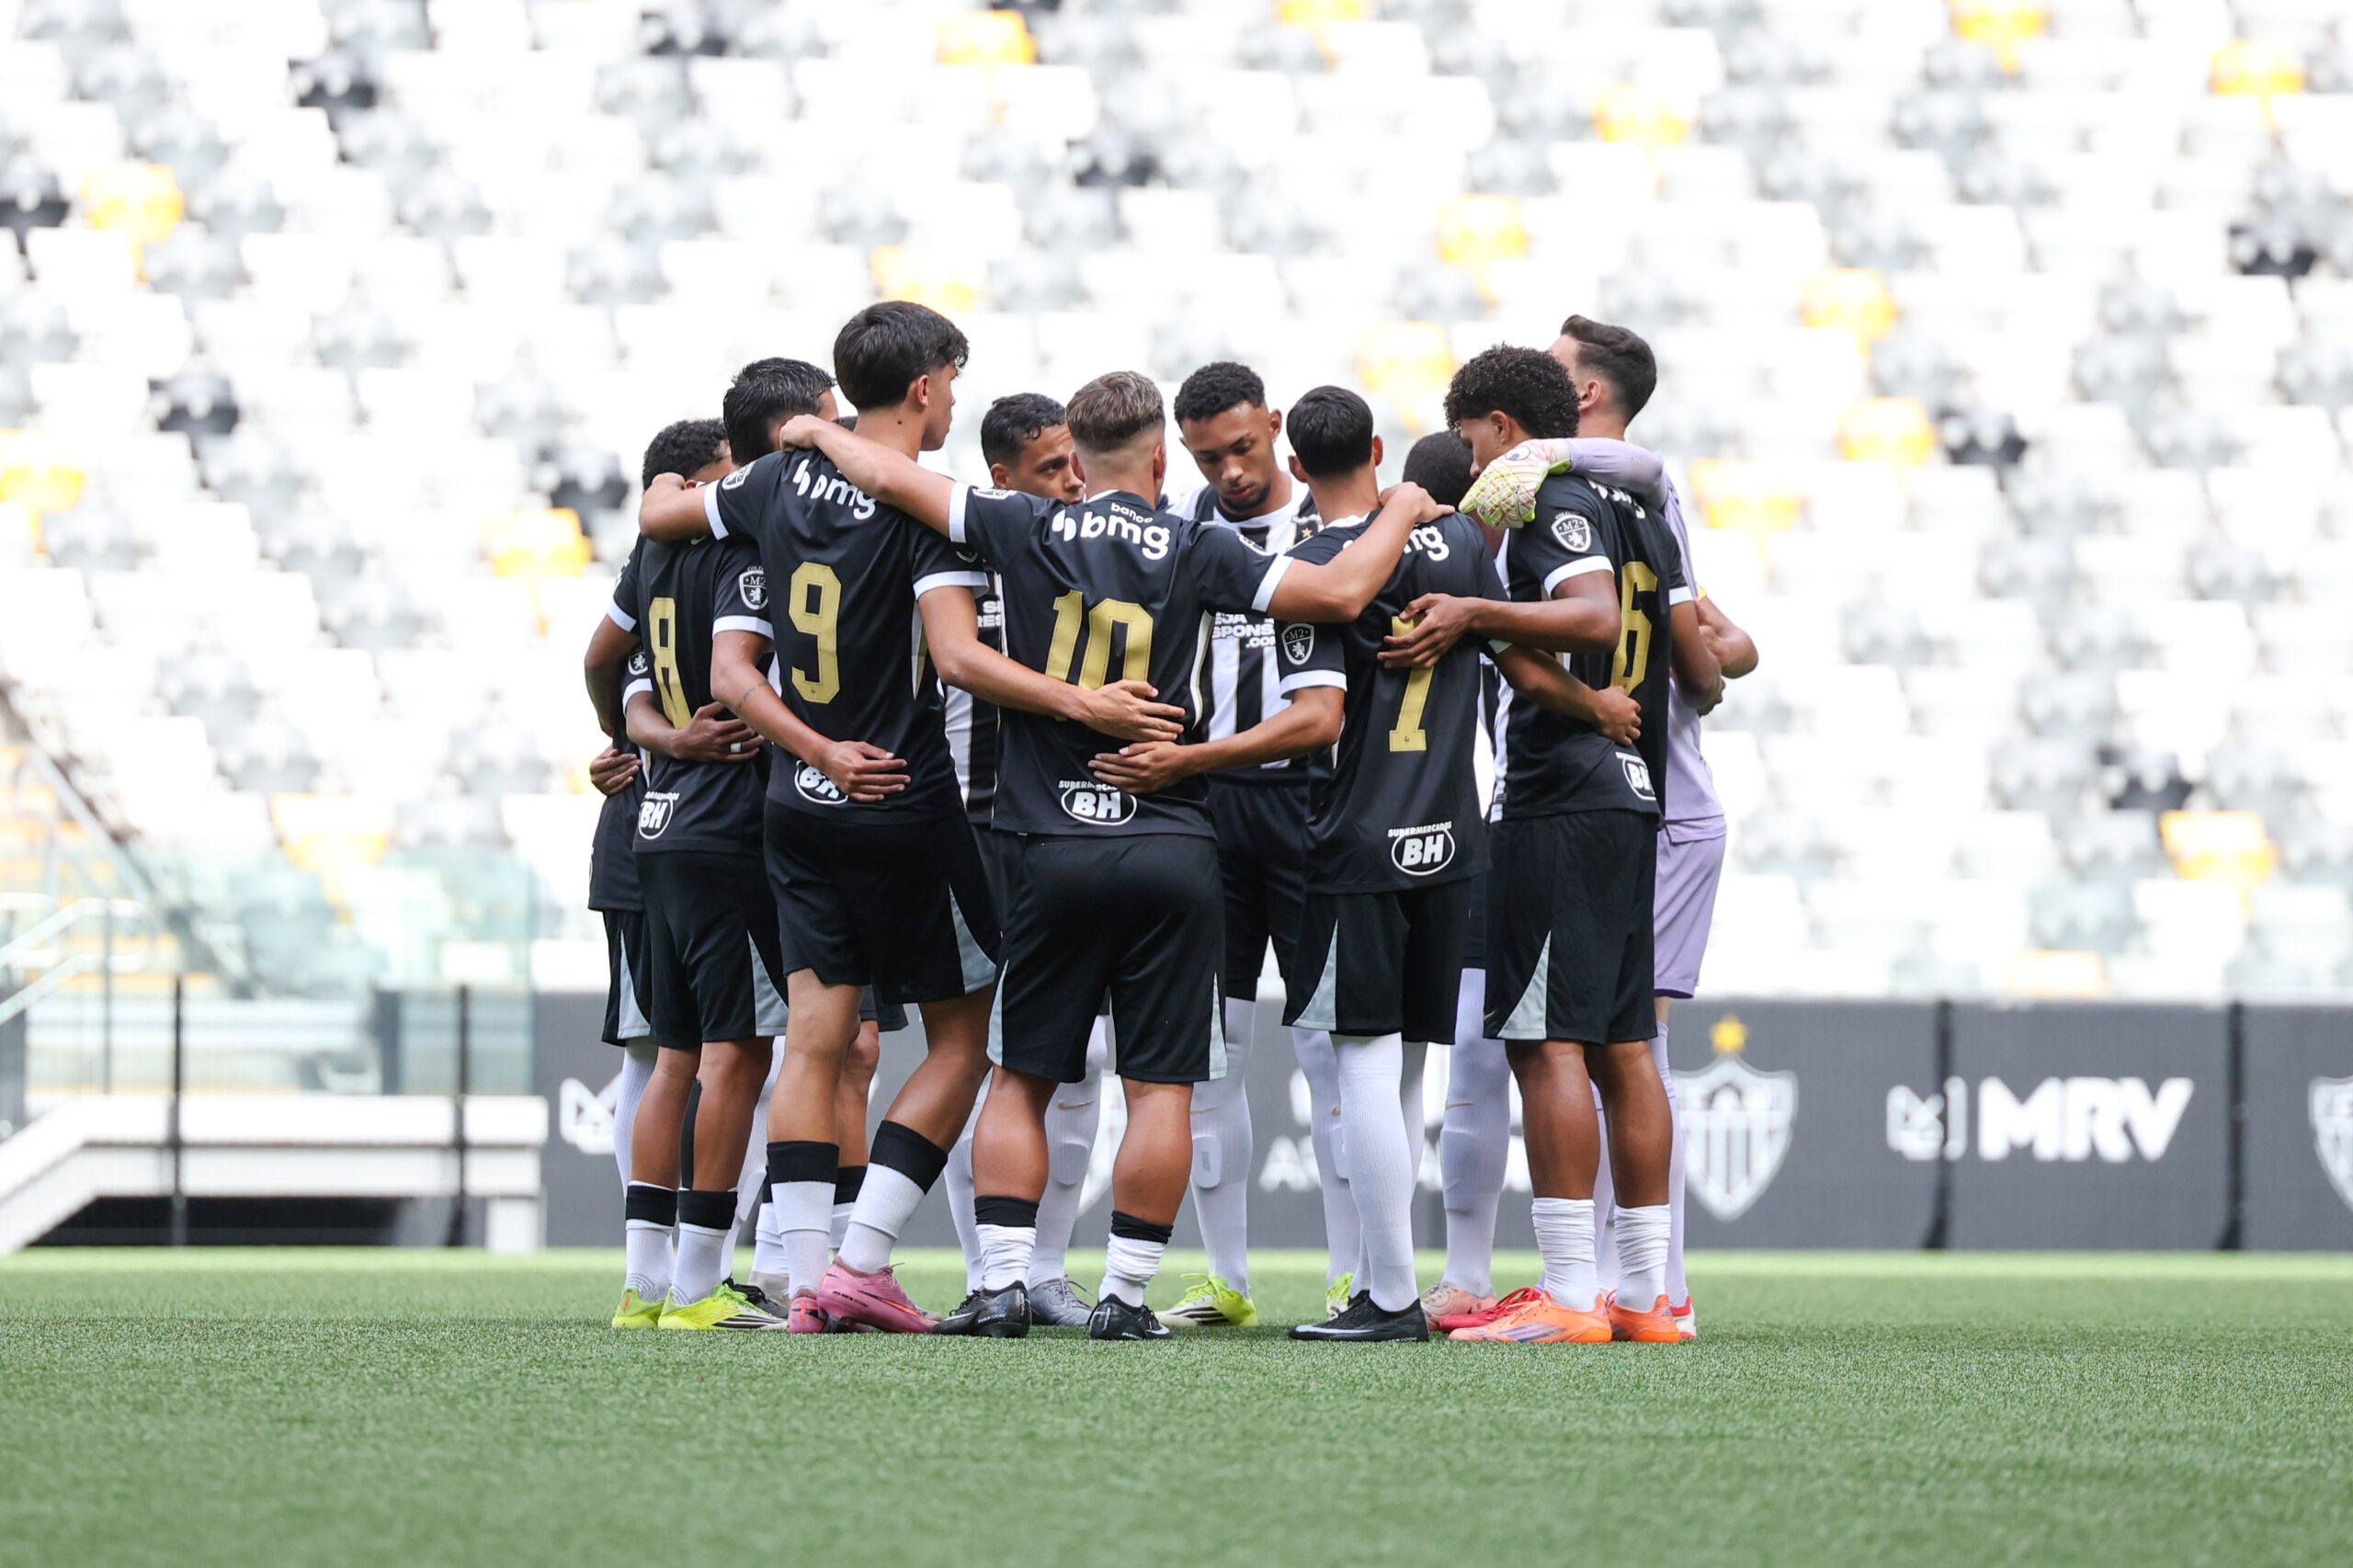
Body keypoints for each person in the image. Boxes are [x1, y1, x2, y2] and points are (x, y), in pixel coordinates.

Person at [771, 369, 1437, 1339]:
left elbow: (888, 477)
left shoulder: (1021, 523)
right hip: (1172, 840)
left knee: (1022, 1076)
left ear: (1073, 462)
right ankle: (1125, 1296)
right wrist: (1406, 501)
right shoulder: (1196, 541)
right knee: (1160, 1083)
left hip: (1047, 842)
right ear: (1163, 457)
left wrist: (819, 434)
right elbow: (1340, 589)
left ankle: (1001, 1281)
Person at [642, 306, 1176, 1332]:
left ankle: (805, 1283)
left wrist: (815, 750)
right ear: (927, 386)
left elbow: (666, 526)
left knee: (813, 1037)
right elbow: (959, 660)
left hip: (800, 799)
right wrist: (1084, 704)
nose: (956, 399)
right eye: (954, 380)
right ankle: (863, 1257)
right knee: (966, 1040)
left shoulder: (766, 482)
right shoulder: (932, 511)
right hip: (908, 799)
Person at [1267, 388, 1618, 1342]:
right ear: (1375, 448)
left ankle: (1384, 1292)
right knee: (1410, 1071)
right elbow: (1515, 647)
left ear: (1294, 468)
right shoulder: (1464, 548)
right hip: (1451, 841)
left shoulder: (1307, 564)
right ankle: (1404, 1279)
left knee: (1363, 1074)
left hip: (1354, 847)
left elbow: (1314, 714)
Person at [1380, 346, 1711, 1345]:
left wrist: (1474, 609)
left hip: (1559, 799)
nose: (1471, 460)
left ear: (1500, 428)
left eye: (1473, 438)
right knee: (1623, 1045)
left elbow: (1590, 614)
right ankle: (1647, 1297)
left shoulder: (1544, 500)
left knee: (1543, 1041)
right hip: (1628, 796)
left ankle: (1570, 1291)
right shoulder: (1643, 509)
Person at [1152, 360, 1333, 1327]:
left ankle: (1354, 1278)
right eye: (1205, 456)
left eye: (1241, 448)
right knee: (1212, 1051)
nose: (1227, 471)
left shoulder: (1330, 530)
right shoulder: (1180, 536)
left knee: (1325, 1052)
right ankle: (1226, 1278)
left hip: (1310, 809)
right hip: (1209, 811)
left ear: (1273, 424)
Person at [609, 416, 796, 1328]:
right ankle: (698, 1284)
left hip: (659, 820)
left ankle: (642, 1285)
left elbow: (608, 664)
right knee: (735, 1055)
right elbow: (736, 674)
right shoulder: (744, 547)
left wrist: (640, 738)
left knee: (674, 1059)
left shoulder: (649, 555)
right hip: (731, 824)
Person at [940, 392, 1115, 1328]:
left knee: (1077, 1056)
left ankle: (1043, 1266)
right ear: (1002, 478)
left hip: (1075, 825)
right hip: (979, 825)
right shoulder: (964, 545)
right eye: (1052, 469)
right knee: (997, 1056)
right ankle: (990, 1267)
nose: (1074, 481)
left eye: (1076, 463)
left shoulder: (1095, 543)